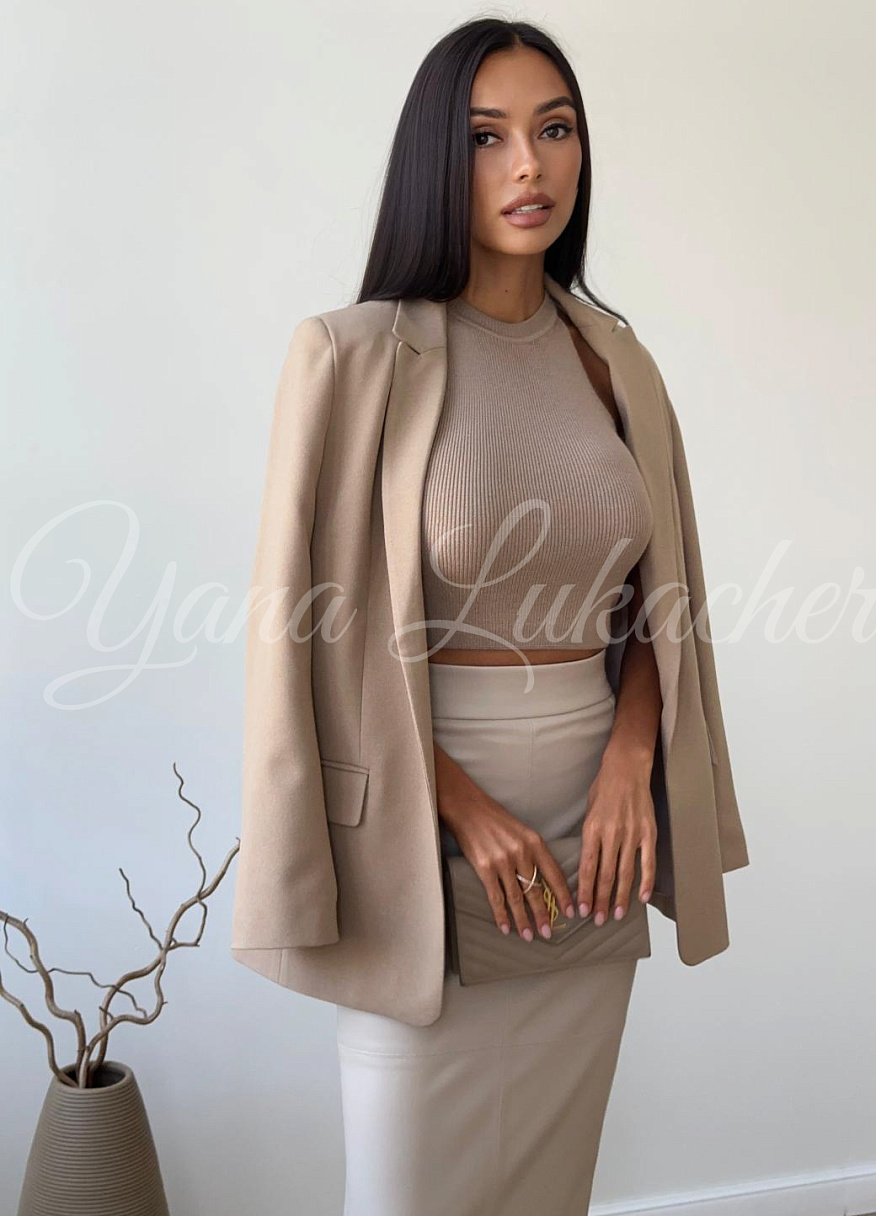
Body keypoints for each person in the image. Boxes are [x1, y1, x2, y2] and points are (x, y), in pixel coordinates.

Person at [231, 17, 750, 1216]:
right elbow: (308, 646)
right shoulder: (348, 356)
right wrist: (459, 803)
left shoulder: (617, 360)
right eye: (487, 136)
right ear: (437, 156)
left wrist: (631, 757)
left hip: (596, 838)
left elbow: (661, 603)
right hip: (420, 837)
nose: (530, 165)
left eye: (554, 129)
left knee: (551, 1190)